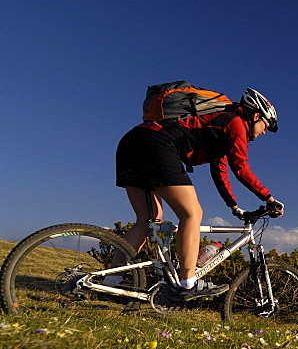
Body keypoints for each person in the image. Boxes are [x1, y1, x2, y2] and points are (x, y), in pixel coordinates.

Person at [114, 88, 284, 301]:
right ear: (256, 116)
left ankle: (110, 281)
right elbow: (240, 167)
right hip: (156, 145)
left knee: (147, 220)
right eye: (265, 126)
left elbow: (220, 172)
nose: (264, 132)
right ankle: (188, 283)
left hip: (133, 141)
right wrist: (269, 198)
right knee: (192, 214)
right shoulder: (235, 123)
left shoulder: (219, 125)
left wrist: (234, 206)